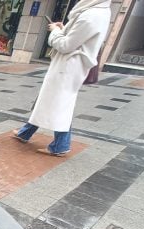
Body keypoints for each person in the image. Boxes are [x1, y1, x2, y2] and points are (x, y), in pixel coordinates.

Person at [12, 0, 111, 156]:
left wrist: (55, 32)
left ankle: (60, 145)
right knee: (50, 100)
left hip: (68, 67)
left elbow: (66, 45)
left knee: (61, 104)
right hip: (70, 66)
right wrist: (63, 28)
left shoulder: (91, 15)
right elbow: (79, 39)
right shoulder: (100, 12)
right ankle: (26, 132)